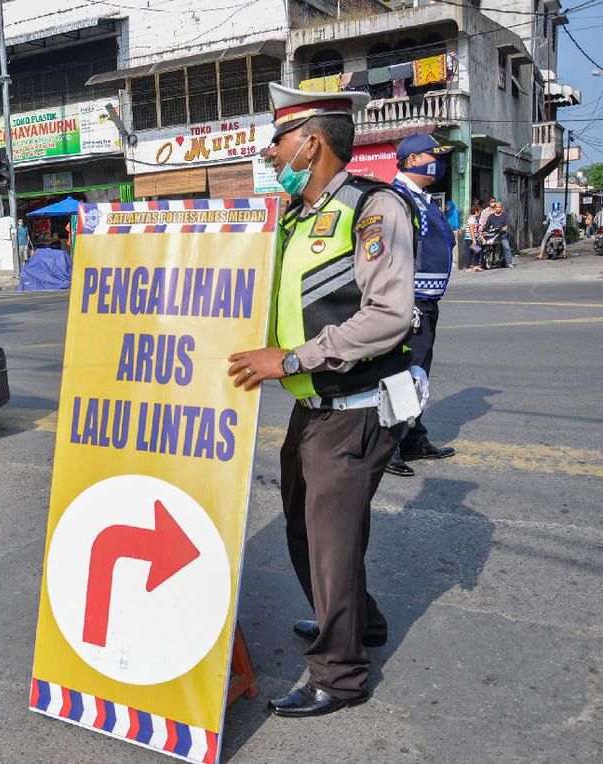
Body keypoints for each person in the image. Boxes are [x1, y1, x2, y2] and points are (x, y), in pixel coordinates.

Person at [227, 82, 415, 717]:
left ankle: (339, 674)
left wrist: (292, 359)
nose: (270, 152)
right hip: (310, 412)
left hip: (354, 408)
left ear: (311, 141)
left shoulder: (373, 209)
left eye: (279, 140)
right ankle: (356, 623)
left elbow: (389, 315)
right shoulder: (295, 218)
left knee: (330, 543)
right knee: (306, 536)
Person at [384, 134, 459, 477]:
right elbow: (387, 255)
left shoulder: (422, 198)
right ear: (413, 160)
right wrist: (402, 301)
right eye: (434, 155)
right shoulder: (396, 198)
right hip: (409, 302)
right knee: (402, 375)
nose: (439, 163)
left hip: (427, 302)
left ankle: (414, 440)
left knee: (419, 374)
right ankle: (388, 449)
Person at [484, 200, 515, 268]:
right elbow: (486, 226)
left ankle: (509, 263)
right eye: (496, 207)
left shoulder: (505, 216)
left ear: (501, 208)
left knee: (506, 247)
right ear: (494, 208)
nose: (497, 208)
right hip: (492, 235)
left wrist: (503, 228)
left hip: (502, 235)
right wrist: (483, 230)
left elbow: (506, 226)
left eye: (499, 207)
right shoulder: (491, 216)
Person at [444, 198, 461, 266]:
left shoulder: (455, 211)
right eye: (446, 205)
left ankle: (454, 262)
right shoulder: (446, 213)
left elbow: (456, 220)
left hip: (453, 230)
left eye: (447, 206)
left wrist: (457, 227)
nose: (446, 207)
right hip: (447, 230)